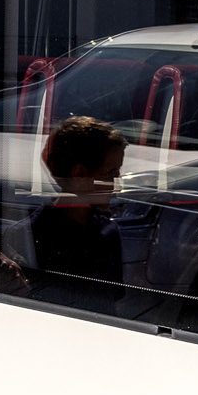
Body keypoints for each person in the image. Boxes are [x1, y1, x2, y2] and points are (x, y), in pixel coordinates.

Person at [30, 115, 128, 288]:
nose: (116, 187)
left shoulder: (108, 232)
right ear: (80, 173)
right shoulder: (35, 235)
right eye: (110, 173)